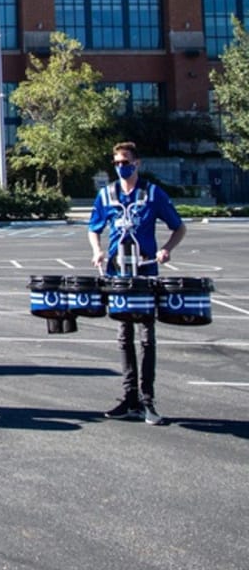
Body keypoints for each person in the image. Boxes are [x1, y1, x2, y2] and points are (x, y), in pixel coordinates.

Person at [88, 141, 187, 426]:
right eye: (117, 163)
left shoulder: (152, 193)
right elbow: (93, 228)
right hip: (119, 273)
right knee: (123, 335)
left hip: (144, 273)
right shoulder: (106, 195)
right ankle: (128, 397)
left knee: (146, 336)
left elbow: (179, 227)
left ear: (137, 163)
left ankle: (147, 400)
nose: (122, 167)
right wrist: (97, 251)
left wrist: (166, 249)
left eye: (126, 162)